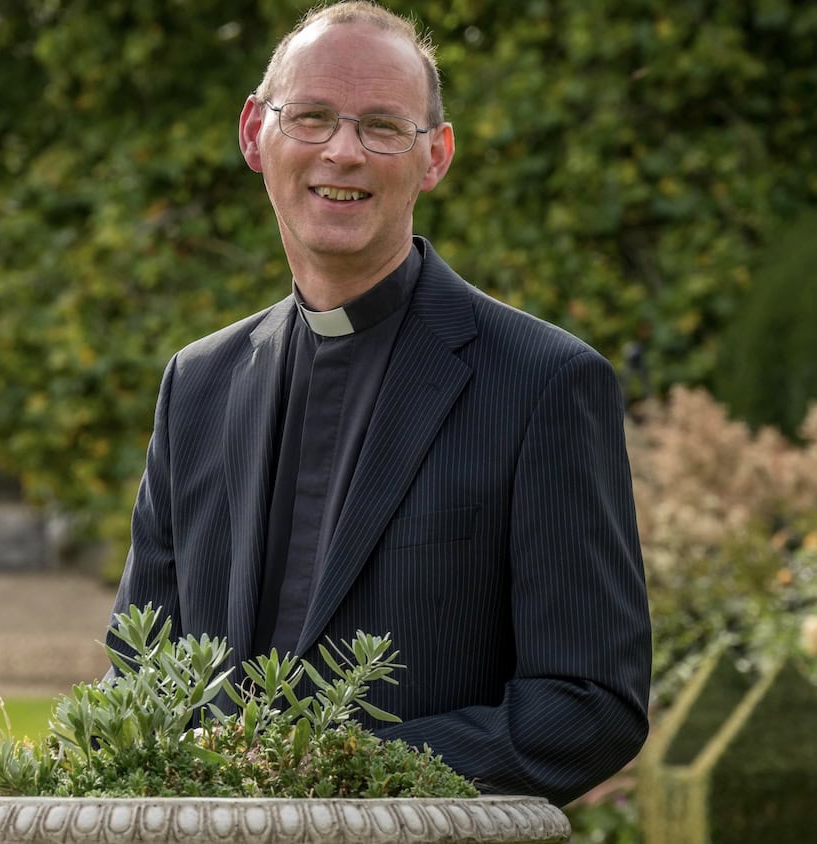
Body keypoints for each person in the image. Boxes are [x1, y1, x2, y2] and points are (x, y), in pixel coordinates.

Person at [106, 0, 651, 806]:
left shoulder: (544, 383)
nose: (343, 152)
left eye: (383, 127)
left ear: (435, 156)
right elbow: (136, 679)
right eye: (314, 117)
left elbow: (590, 706)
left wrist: (337, 771)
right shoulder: (197, 384)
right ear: (257, 133)